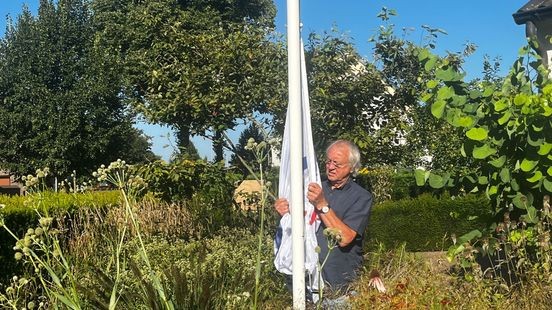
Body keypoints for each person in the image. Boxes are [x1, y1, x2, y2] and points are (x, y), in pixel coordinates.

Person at [274, 139, 373, 293]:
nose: (331, 167)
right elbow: (304, 222)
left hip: (339, 286)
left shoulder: (361, 197)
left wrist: (322, 205)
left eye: (337, 164)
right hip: (307, 281)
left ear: (351, 167)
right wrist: (286, 213)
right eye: (328, 161)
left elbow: (345, 238)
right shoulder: (315, 186)